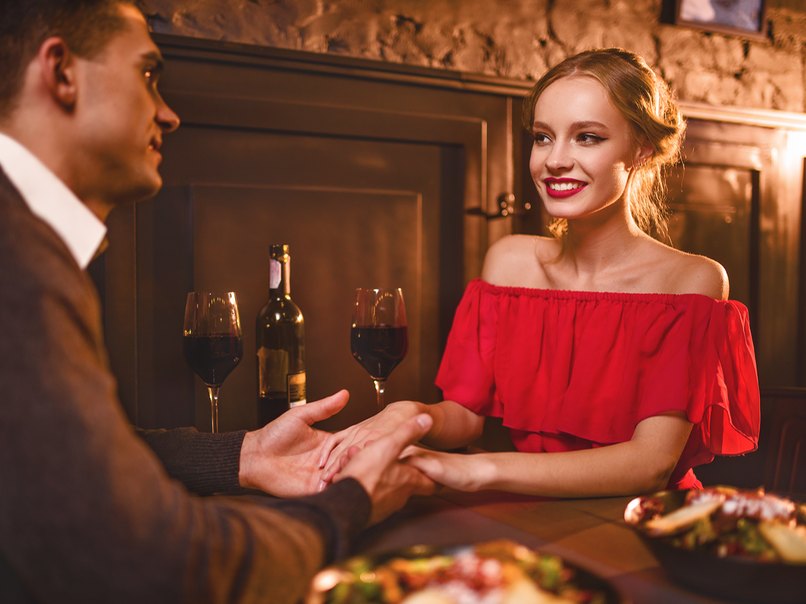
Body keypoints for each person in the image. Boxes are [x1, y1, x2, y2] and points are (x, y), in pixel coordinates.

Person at [0, 1, 434, 602]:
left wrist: (244, 453)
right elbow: (158, 565)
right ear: (61, 72)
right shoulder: (17, 258)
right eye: (147, 74)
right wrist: (351, 502)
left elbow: (66, 461)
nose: (168, 113)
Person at [319, 48, 760, 498]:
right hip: (529, 514)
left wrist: (471, 470)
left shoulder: (691, 280)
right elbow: (465, 416)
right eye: (543, 137)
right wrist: (412, 415)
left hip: (646, 521)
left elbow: (650, 464)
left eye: (587, 137)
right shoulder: (510, 262)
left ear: (642, 149)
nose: (554, 160)